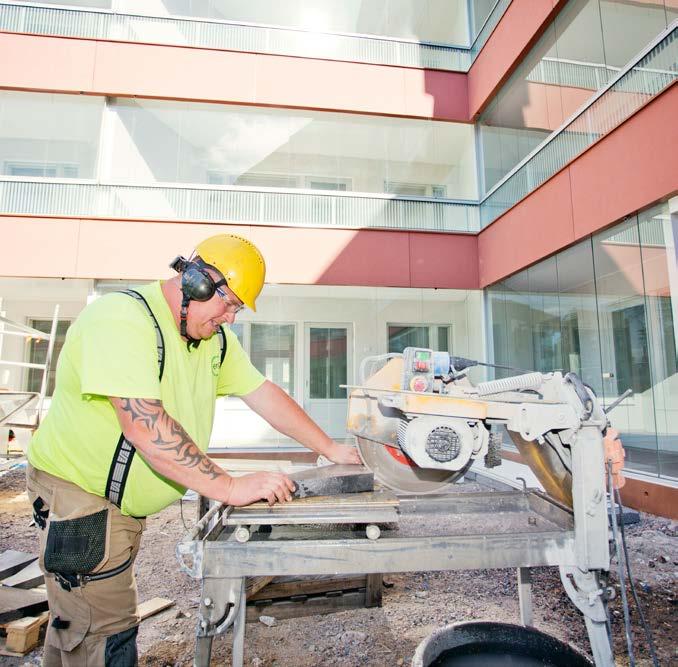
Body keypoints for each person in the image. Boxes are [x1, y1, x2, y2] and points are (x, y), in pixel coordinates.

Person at [25, 233, 360, 666]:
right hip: (79, 496)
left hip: (117, 506)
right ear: (197, 281)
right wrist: (229, 487)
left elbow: (263, 394)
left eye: (238, 308)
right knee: (103, 634)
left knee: (81, 622)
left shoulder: (211, 341)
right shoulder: (121, 320)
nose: (231, 317)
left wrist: (330, 447)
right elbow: (145, 425)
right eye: (229, 302)